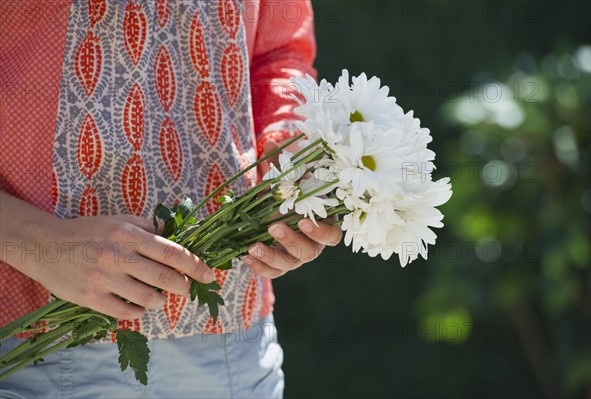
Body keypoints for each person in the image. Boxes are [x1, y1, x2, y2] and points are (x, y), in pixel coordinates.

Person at [0, 1, 341, 397]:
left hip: (232, 348)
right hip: (32, 343)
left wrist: (288, 157)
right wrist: (36, 241)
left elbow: (278, 51)